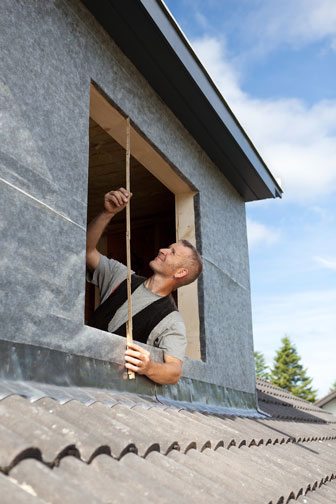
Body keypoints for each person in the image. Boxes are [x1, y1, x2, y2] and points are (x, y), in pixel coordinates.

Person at [86, 188, 202, 385]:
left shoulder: (172, 322)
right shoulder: (121, 276)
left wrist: (149, 367)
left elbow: (174, 373)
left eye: (172, 252)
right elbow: (86, 251)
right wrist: (108, 213)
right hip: (75, 368)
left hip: (109, 391)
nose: (162, 250)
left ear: (180, 273)